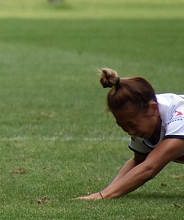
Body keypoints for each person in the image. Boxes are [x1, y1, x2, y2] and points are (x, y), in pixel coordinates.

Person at [76, 68, 184, 201]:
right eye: (123, 126)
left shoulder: (180, 117)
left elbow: (150, 167)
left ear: (153, 109)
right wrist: (108, 191)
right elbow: (139, 161)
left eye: (132, 124)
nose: (130, 132)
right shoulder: (145, 117)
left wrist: (103, 196)